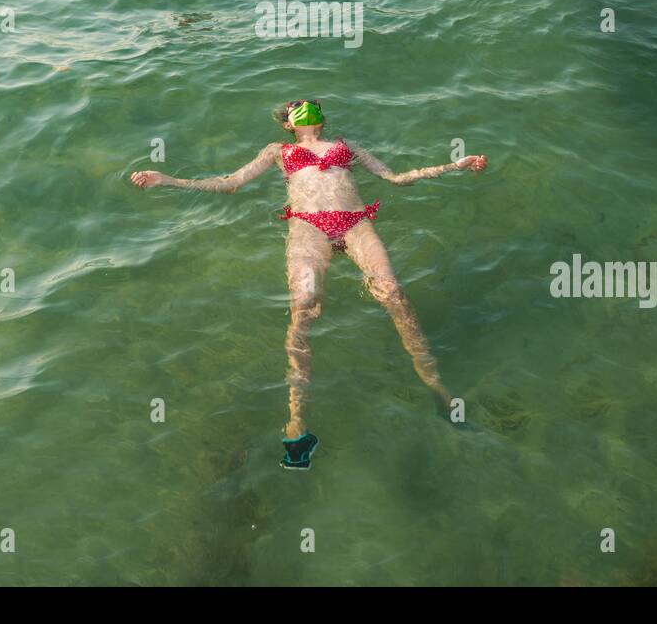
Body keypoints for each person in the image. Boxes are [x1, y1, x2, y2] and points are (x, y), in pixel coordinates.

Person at [131, 99, 487, 469]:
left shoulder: (346, 146)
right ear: (287, 125)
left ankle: (436, 387)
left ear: (322, 118)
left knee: (393, 293)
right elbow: (231, 183)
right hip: (307, 227)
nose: (305, 109)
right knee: (304, 307)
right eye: (296, 108)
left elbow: (395, 178)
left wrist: (453, 166)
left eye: (310, 106)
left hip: (354, 222)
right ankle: (297, 420)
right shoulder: (279, 151)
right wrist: (167, 180)